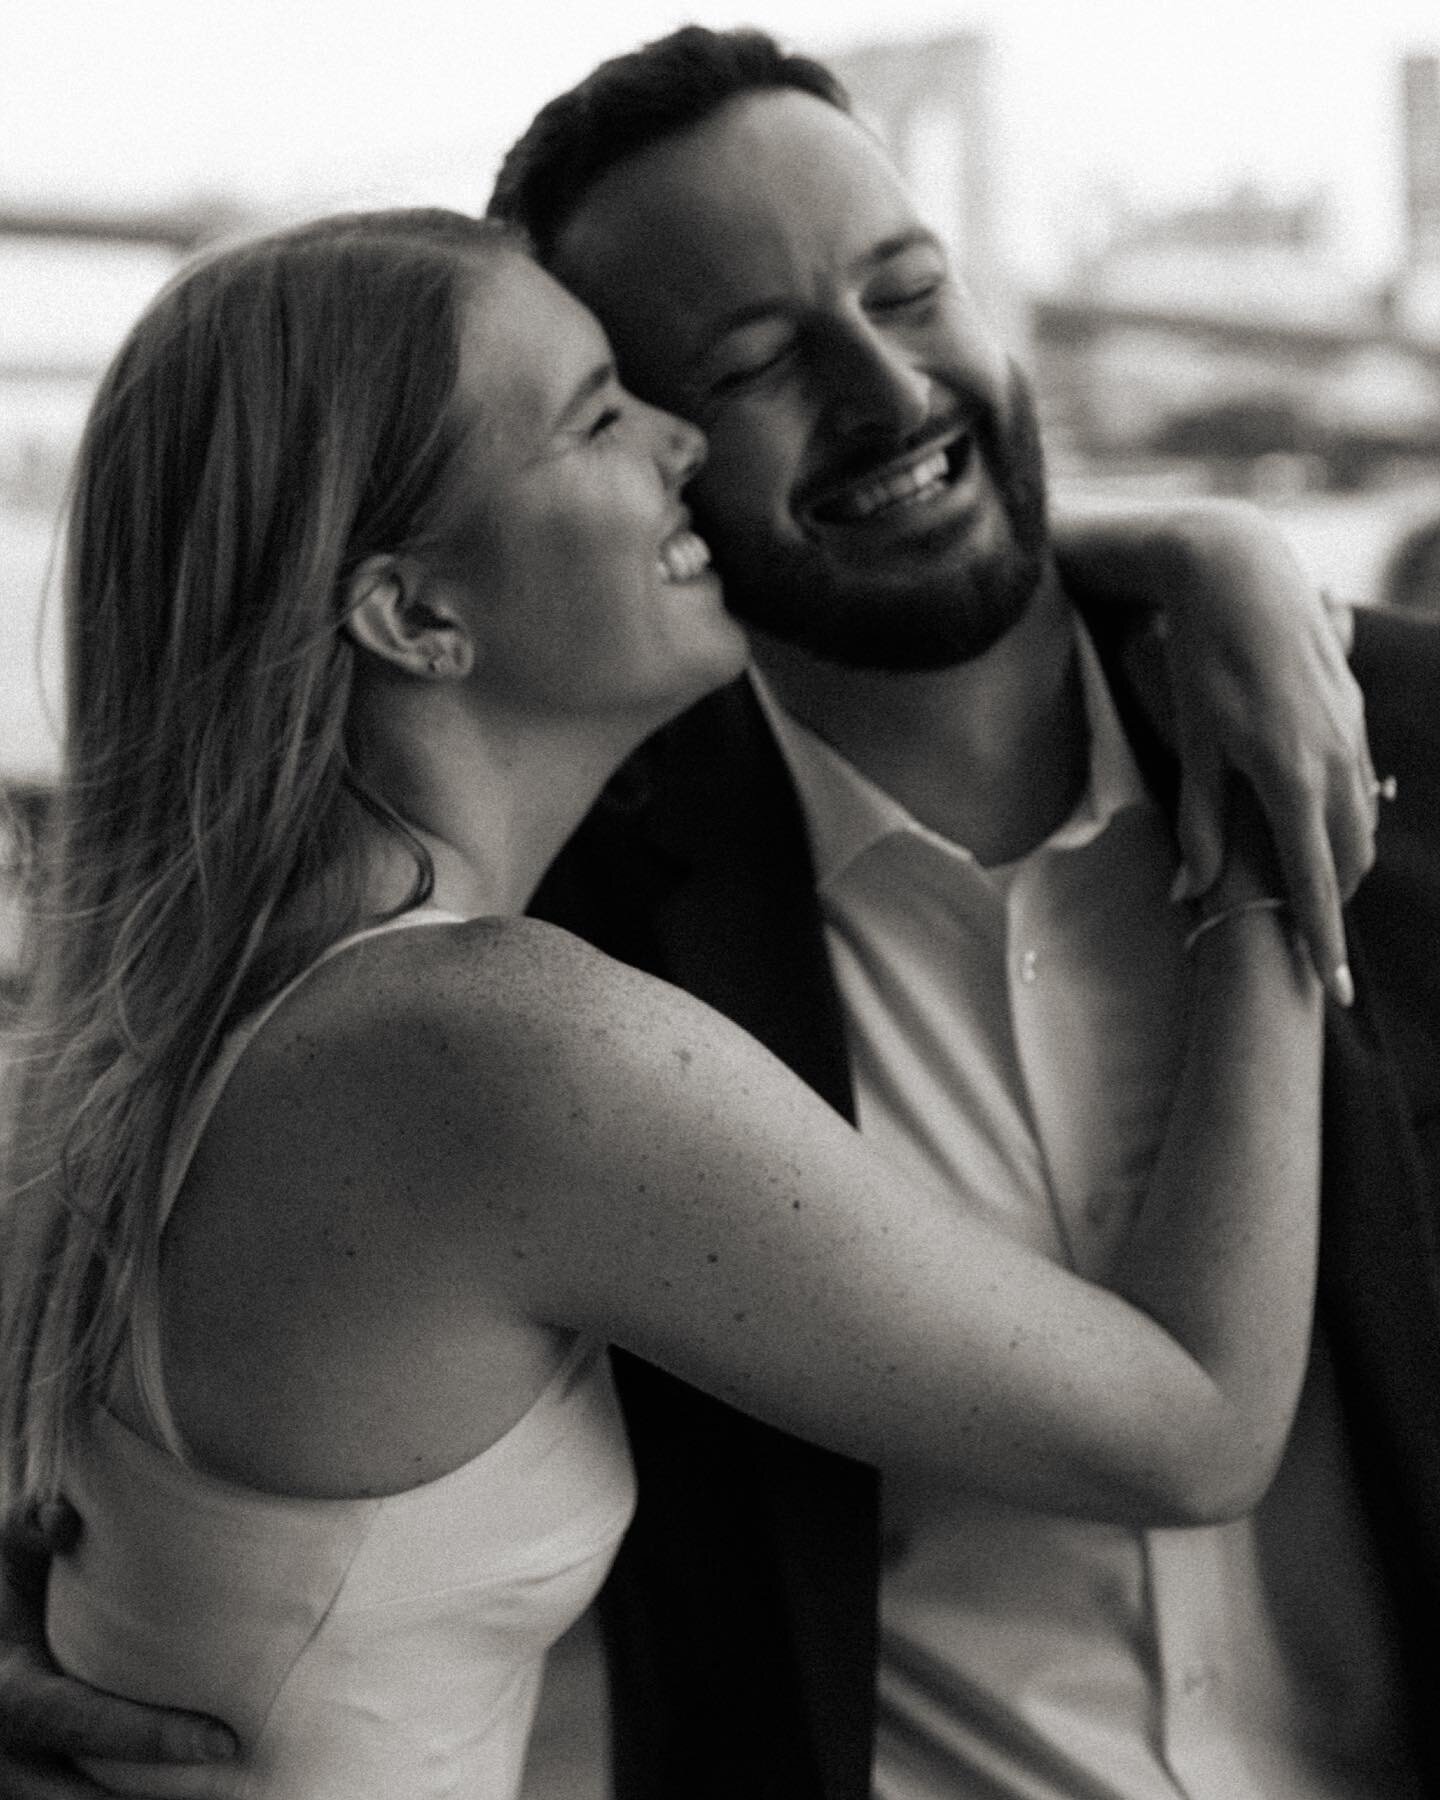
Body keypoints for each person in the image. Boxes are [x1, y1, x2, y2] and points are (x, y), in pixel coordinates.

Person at [0, 198, 1335, 1799]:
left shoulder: (199, 1017)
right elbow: (1190, 1431)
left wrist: (1212, 545)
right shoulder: (500, 1048)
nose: (687, 441)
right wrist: (1267, 838)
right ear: (416, 618)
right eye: (596, 415)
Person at [497, 29, 1436, 1800]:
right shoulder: (568, 938)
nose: (884, 388)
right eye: (760, 361)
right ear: (646, 467)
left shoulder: (1420, 741)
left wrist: (1209, 540)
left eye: (909, 289)